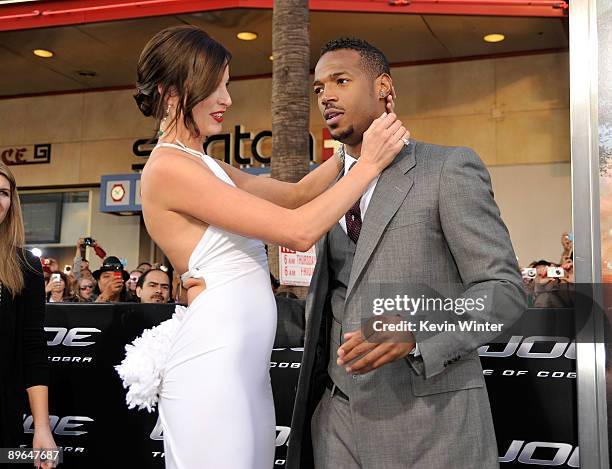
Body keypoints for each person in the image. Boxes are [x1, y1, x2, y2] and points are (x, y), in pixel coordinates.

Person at [117, 25, 406, 469]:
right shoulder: (168, 168)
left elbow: (294, 196)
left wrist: (352, 146)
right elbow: (297, 229)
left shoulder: (202, 163)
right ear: (172, 93)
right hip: (211, 365)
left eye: (226, 86)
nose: (227, 100)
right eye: (216, 87)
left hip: (242, 368)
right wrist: (369, 165)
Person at [285, 38, 527, 469]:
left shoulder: (448, 169)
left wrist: (418, 327)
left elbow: (505, 292)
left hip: (432, 425)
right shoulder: (325, 186)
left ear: (384, 89)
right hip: (335, 424)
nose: (327, 96)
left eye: (341, 80)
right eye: (319, 88)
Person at [0, 162, 57, 467]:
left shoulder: (26, 267)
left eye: (4, 193)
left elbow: (33, 349)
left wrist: (43, 427)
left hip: (4, 416)